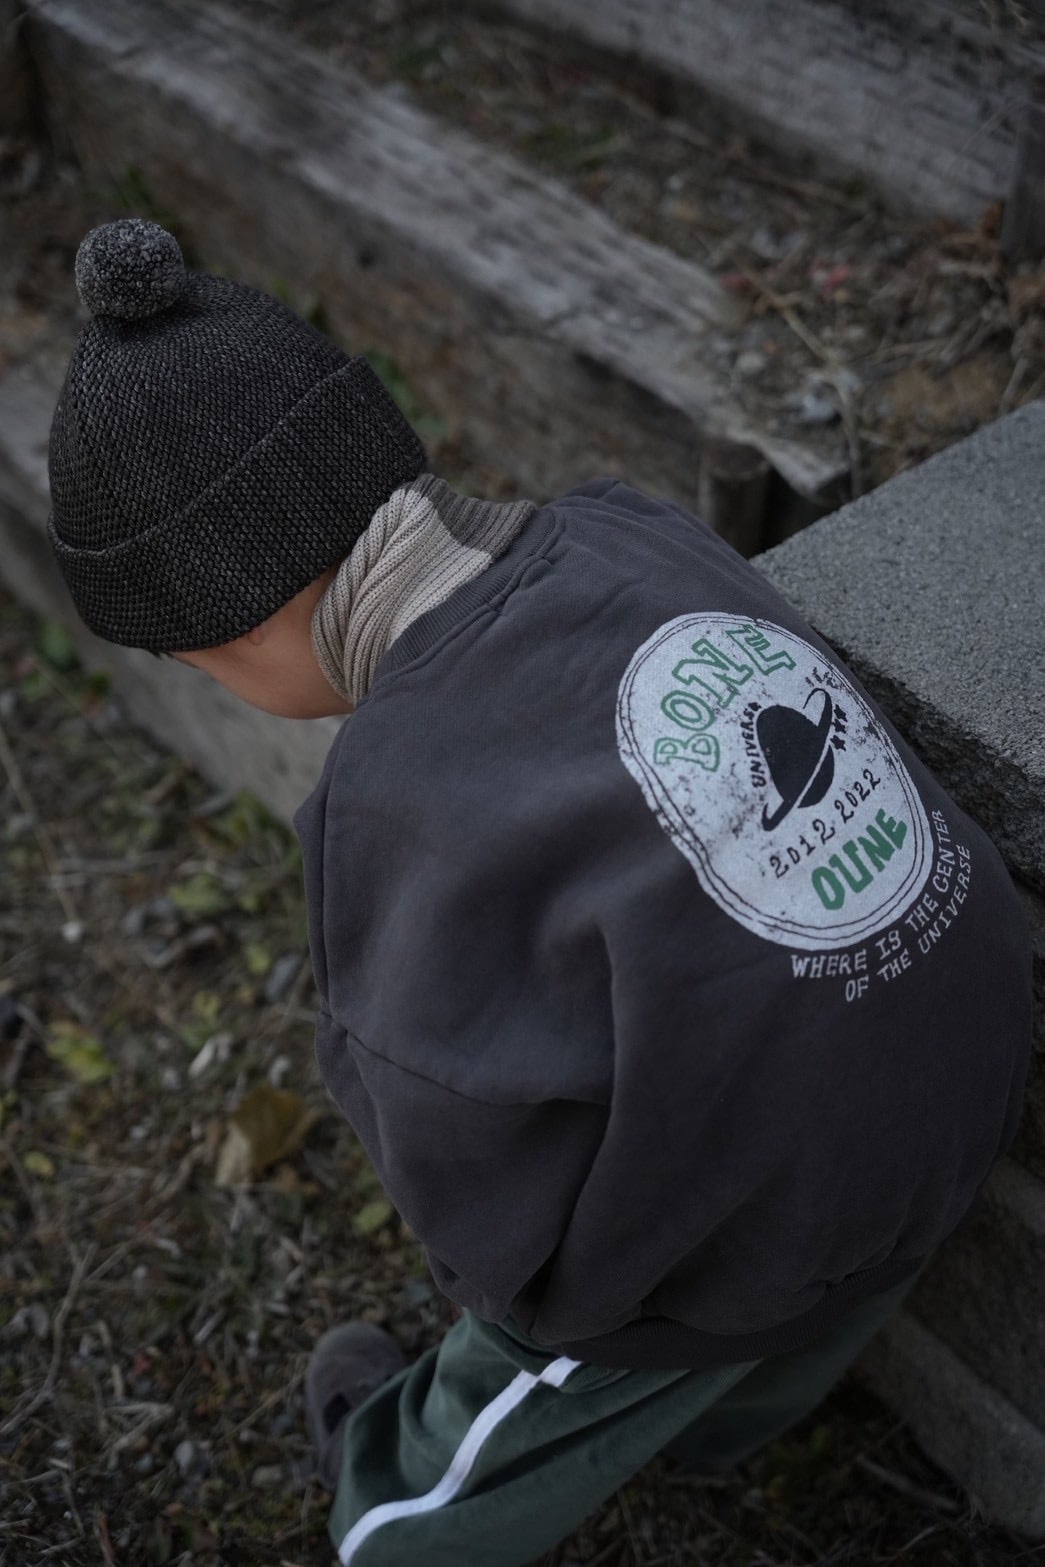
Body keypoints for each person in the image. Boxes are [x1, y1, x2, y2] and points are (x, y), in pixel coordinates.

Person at [46, 218, 1032, 1567]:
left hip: (743, 1202)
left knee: (559, 1359)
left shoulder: (394, 794)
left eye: (200, 668)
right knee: (821, 1269)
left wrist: (519, 1293)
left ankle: (395, 1518)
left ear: (240, 626)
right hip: (962, 1067)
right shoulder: (626, 529)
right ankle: (728, 1428)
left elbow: (451, 1116)